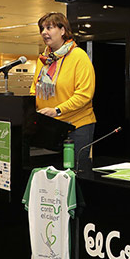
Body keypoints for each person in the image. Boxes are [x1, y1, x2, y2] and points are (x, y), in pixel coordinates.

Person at [29, 12, 96, 169]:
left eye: (49, 28)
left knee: (74, 172)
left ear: (63, 30)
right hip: (50, 127)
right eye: (42, 29)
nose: (44, 32)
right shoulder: (44, 59)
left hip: (76, 126)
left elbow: (84, 94)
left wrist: (57, 110)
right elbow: (34, 90)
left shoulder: (79, 56)